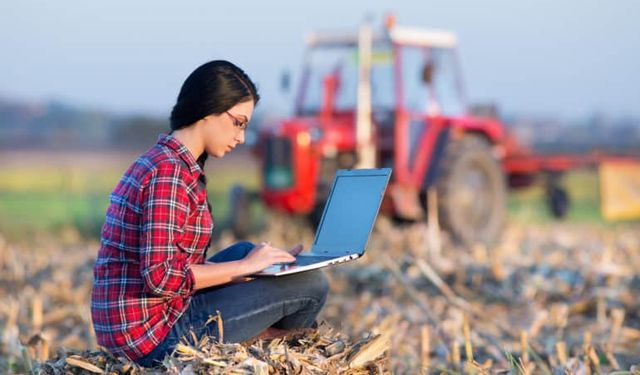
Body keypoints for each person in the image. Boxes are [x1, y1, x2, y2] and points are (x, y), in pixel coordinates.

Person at [90, 60, 329, 367]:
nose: (242, 137)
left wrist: (257, 265)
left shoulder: (169, 161)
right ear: (209, 109)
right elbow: (161, 279)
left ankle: (266, 343)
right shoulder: (169, 173)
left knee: (257, 256)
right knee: (311, 286)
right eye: (238, 123)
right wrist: (244, 268)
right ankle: (272, 351)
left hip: (150, 319)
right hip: (151, 337)